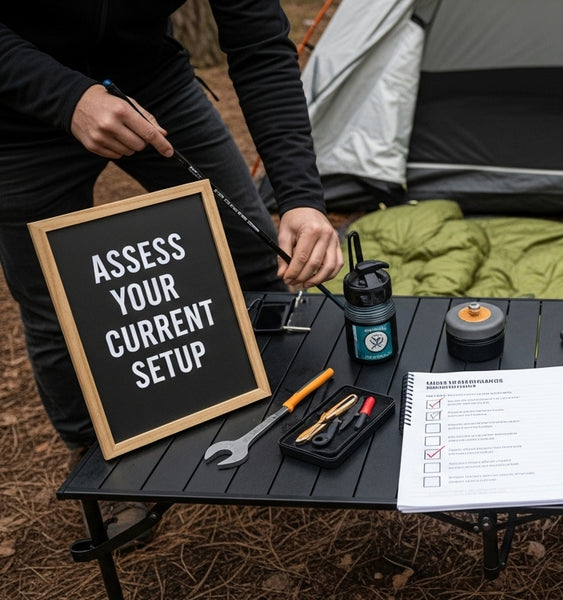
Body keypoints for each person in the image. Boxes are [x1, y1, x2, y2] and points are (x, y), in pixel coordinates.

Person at [0, 1, 343, 539]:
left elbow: (259, 48)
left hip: (152, 82)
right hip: (16, 117)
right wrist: (68, 96)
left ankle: (276, 406)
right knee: (55, 306)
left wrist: (300, 197)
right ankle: (97, 461)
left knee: (250, 253)